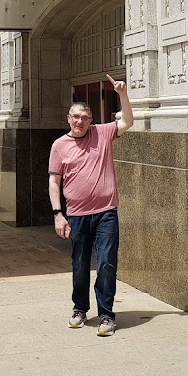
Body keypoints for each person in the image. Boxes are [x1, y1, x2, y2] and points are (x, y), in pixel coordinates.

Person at [48, 74, 134, 337]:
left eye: (85, 117)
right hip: (76, 215)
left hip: (106, 212)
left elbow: (128, 121)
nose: (80, 121)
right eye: (76, 117)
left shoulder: (103, 133)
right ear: (68, 119)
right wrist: (57, 215)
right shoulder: (59, 146)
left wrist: (122, 94)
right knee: (80, 264)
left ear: (91, 120)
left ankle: (106, 314)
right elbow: (54, 182)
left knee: (107, 262)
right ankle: (80, 308)